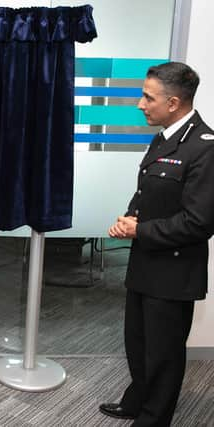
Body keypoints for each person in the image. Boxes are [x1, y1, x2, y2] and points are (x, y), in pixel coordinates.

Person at [100, 62, 214, 426]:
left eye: (148, 97)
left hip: (174, 270)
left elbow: (200, 222)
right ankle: (138, 401)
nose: (140, 104)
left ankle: (153, 418)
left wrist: (141, 230)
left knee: (163, 353)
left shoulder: (204, 148)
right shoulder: (165, 136)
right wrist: (129, 218)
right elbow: (149, 192)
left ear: (174, 102)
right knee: (138, 342)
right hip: (146, 262)